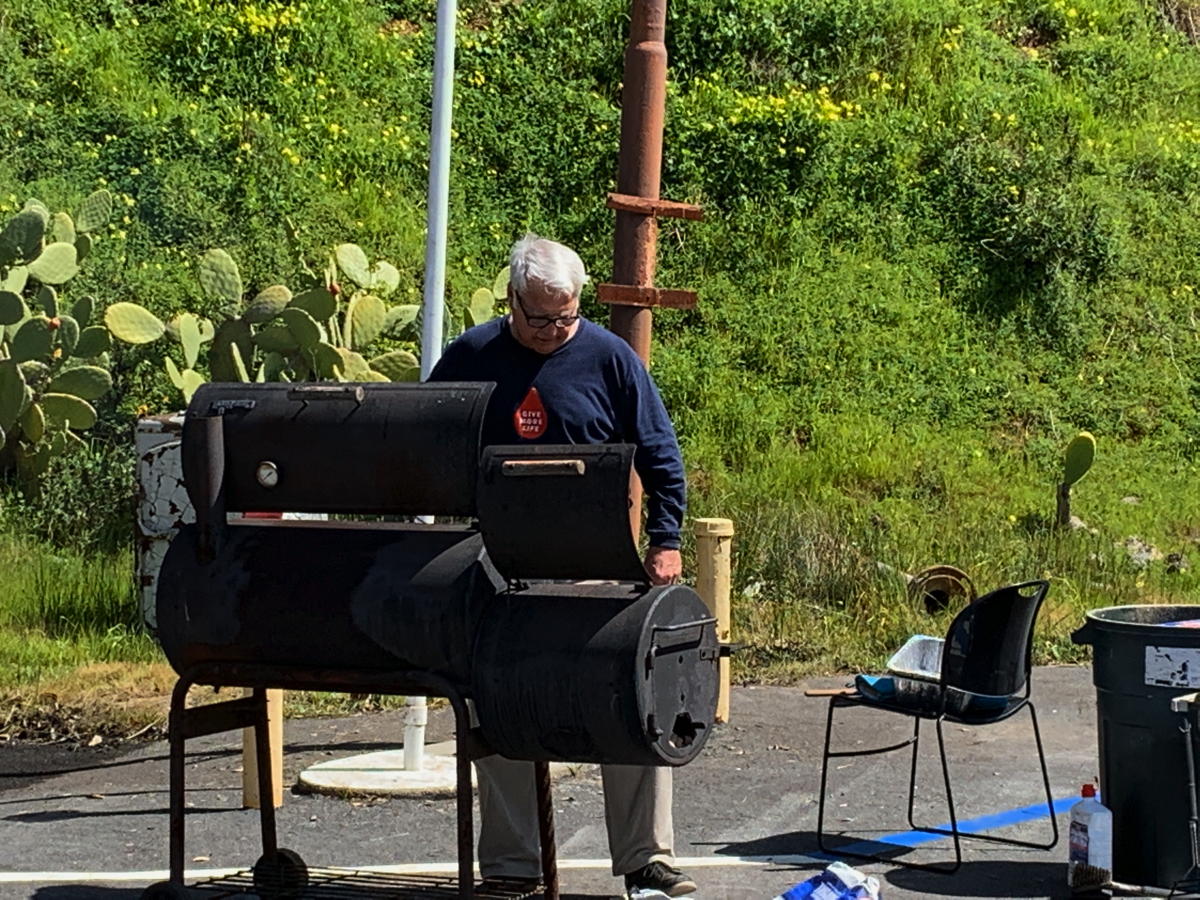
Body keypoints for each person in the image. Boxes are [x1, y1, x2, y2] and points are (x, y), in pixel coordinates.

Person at [427, 234, 695, 897]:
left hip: (595, 565)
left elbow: (661, 453)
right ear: (512, 298)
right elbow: (424, 440)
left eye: (565, 317)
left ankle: (647, 861)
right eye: (539, 318)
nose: (552, 331)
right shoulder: (470, 355)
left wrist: (665, 540)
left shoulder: (610, 358)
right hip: (496, 570)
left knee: (634, 704)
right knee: (497, 712)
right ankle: (513, 870)